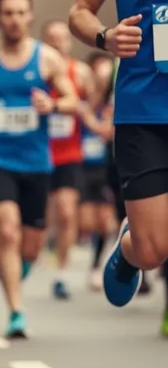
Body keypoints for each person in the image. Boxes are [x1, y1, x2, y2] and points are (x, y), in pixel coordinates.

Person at [67, 0, 168, 309]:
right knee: (154, 250)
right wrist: (106, 37)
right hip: (144, 109)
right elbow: (79, 11)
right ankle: (130, 249)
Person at [0, 0, 77, 338]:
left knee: (30, 243)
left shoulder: (48, 60)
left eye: (21, 13)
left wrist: (54, 105)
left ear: (30, 17)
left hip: (36, 162)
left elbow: (73, 100)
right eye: (8, 13)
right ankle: (16, 311)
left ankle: (20, 266)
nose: (14, 19)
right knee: (7, 229)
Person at [41, 20, 96, 300]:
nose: (57, 43)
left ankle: (62, 274)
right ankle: (42, 246)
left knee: (66, 211)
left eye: (61, 38)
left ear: (69, 42)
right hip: (37, 154)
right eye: (51, 38)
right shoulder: (35, 71)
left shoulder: (81, 73)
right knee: (44, 217)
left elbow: (94, 104)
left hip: (70, 154)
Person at [79, 53, 116, 291]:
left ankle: (96, 266)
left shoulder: (113, 104)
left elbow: (108, 132)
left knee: (104, 221)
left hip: (105, 167)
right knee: (86, 222)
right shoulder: (80, 101)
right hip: (82, 167)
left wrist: (89, 119)